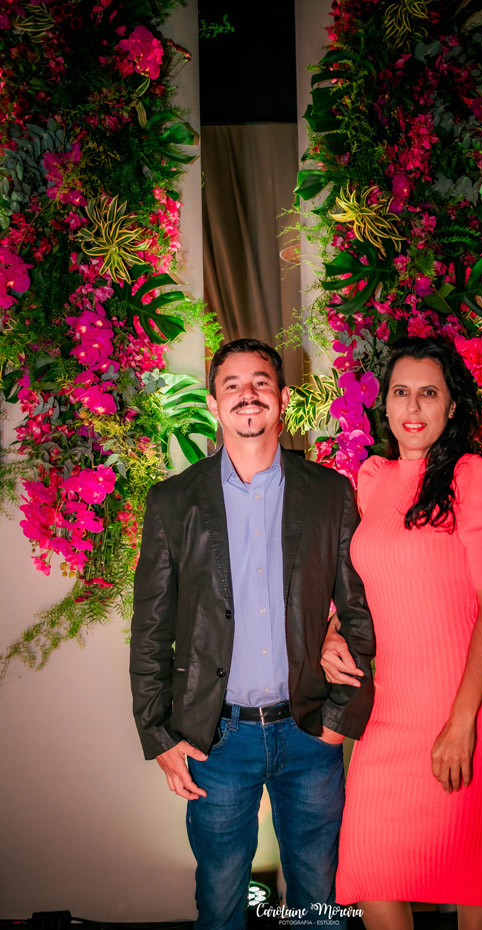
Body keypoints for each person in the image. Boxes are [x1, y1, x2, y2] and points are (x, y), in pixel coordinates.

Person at [130, 338, 375, 930]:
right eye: (233, 384)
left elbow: (360, 609)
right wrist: (157, 734)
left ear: (283, 398)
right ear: (213, 402)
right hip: (215, 739)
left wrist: (339, 719)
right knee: (219, 904)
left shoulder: (331, 493)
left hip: (309, 732)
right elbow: (151, 627)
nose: (248, 394)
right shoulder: (172, 501)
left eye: (261, 382)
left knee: (319, 903)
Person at [321, 336, 482, 930]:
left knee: (469, 873)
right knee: (371, 867)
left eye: (428, 393)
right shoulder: (373, 477)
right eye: (400, 392)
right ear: (383, 403)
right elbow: (362, 585)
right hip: (391, 710)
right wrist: (333, 632)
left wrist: (462, 724)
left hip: (466, 708)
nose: (412, 407)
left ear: (452, 405)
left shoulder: (474, 476)